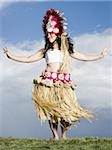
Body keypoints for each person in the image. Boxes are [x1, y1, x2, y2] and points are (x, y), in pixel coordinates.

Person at [2, 9, 108, 140]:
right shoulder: (45, 51)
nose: (49, 36)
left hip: (63, 84)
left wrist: (100, 56)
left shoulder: (67, 50)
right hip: (48, 83)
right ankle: (55, 136)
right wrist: (11, 56)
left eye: (51, 33)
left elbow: (84, 57)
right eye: (47, 34)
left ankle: (64, 134)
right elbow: (28, 58)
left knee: (65, 110)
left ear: (58, 33)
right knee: (51, 111)